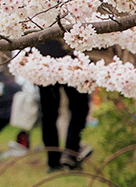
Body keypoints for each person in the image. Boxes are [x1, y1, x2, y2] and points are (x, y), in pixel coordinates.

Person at [34, 40, 93, 171]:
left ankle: (53, 161)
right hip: (71, 59)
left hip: (43, 60)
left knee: (48, 113)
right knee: (79, 108)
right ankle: (71, 154)